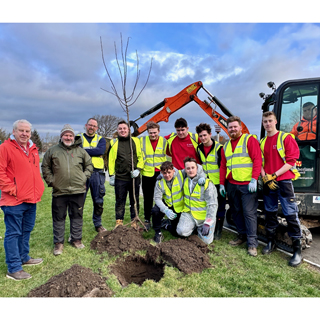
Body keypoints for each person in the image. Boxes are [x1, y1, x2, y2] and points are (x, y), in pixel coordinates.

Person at [0, 119, 45, 281]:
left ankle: (23, 257)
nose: (24, 134)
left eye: (27, 131)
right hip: (13, 200)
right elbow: (1, 172)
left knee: (26, 230)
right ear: (14, 131)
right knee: (13, 233)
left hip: (31, 198)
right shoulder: (5, 148)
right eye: (21, 131)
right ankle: (14, 268)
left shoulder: (32, 149)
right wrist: (13, 190)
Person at [42, 124, 93, 256]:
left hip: (78, 190)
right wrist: (51, 181)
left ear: (73, 136)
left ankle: (76, 239)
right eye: (66, 135)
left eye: (70, 135)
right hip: (60, 191)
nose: (68, 137)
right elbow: (45, 166)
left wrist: (84, 177)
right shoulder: (53, 150)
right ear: (61, 136)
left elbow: (89, 165)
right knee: (59, 217)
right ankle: (58, 243)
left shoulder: (81, 151)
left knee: (77, 215)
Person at [260, 111, 302, 267]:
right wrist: (265, 177)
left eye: (270, 121)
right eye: (265, 121)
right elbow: (260, 162)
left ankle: (297, 251)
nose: (268, 124)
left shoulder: (286, 138)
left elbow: (291, 162)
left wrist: (273, 175)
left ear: (275, 121)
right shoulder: (263, 141)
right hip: (268, 182)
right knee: (270, 213)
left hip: (283, 182)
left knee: (290, 214)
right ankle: (271, 243)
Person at [219, 116, 262, 257]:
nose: (232, 129)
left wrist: (254, 179)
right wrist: (221, 184)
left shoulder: (249, 140)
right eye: (230, 127)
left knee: (249, 214)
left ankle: (252, 244)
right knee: (235, 211)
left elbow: (257, 160)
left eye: (234, 127)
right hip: (232, 184)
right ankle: (242, 235)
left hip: (247, 185)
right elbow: (223, 167)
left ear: (240, 127)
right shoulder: (226, 146)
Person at [152, 160, 206, 243]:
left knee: (177, 233)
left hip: (179, 207)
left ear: (173, 170)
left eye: (169, 172)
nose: (167, 175)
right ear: (161, 173)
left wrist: (202, 176)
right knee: (155, 211)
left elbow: (197, 166)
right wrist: (166, 210)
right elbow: (157, 199)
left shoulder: (181, 174)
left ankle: (166, 225)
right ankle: (158, 233)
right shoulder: (159, 181)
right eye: (164, 173)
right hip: (168, 204)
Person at [108, 120, 144, 229]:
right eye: (120, 129)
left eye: (124, 128)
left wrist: (138, 169)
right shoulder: (114, 143)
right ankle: (119, 221)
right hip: (120, 178)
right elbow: (111, 160)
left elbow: (141, 157)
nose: (122, 130)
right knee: (120, 200)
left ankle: (134, 221)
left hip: (134, 178)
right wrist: (111, 175)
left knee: (134, 200)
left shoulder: (135, 141)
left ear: (128, 130)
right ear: (118, 130)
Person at [176, 157, 218, 245]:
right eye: (188, 168)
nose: (191, 170)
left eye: (193, 167)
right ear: (185, 170)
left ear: (197, 168)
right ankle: (193, 227)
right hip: (189, 214)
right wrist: (162, 175)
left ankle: (201, 228)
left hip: (204, 217)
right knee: (181, 232)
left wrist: (208, 222)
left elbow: (212, 205)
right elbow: (172, 173)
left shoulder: (207, 183)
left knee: (206, 242)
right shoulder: (185, 180)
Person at [196, 122, 226, 240]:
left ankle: (218, 230)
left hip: (218, 183)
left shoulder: (219, 148)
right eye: (201, 136)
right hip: (207, 184)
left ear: (210, 134)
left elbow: (223, 167)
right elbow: (201, 165)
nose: (203, 138)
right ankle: (208, 227)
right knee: (208, 206)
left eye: (205, 135)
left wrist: (223, 184)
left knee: (220, 207)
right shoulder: (199, 148)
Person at [79, 118, 107, 233]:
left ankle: (98, 224)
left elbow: (100, 151)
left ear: (97, 128)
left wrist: (83, 151)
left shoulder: (101, 139)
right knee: (79, 201)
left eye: (94, 126)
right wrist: (93, 151)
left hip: (97, 173)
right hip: (81, 173)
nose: (91, 127)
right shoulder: (78, 137)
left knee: (98, 200)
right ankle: (77, 226)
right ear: (86, 125)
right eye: (90, 125)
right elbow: (77, 150)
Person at [140, 121, 167, 231]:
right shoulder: (142, 140)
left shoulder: (164, 141)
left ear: (159, 131)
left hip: (160, 174)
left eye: (155, 133)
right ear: (147, 132)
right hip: (147, 173)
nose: (153, 135)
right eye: (150, 133)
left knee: (161, 197)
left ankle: (160, 218)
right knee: (148, 198)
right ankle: (147, 219)